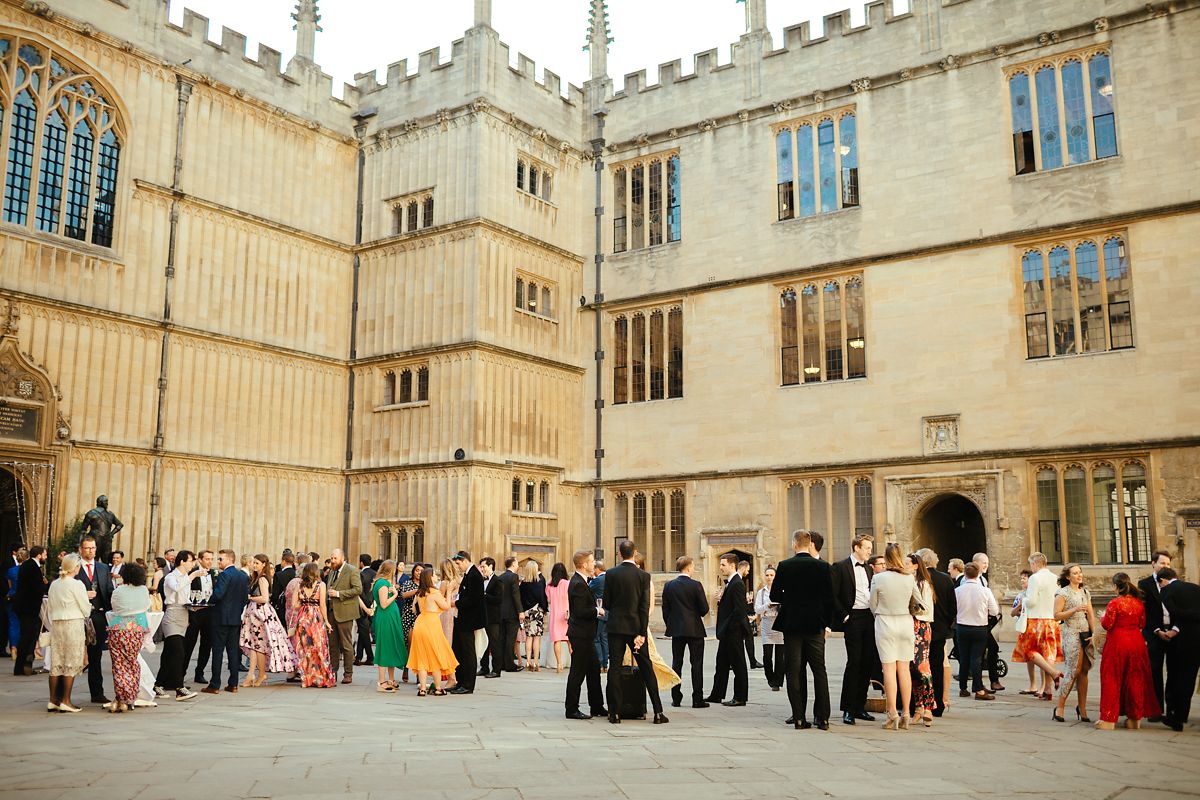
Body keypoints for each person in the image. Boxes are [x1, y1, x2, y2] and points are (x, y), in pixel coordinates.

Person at [772, 529, 833, 730]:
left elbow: (775, 595)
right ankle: (823, 719)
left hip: (792, 624)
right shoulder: (823, 567)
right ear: (809, 544)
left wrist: (790, 597)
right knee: (819, 670)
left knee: (794, 671)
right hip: (815, 624)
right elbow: (829, 598)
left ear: (794, 544)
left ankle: (798, 717)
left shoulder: (785, 566)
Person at [603, 540, 667, 724]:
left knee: (614, 668)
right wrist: (641, 633)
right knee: (647, 668)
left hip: (616, 627)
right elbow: (644, 606)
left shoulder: (611, 574)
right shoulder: (643, 576)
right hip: (635, 628)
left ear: (619, 554)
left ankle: (614, 712)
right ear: (635, 553)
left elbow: (606, 603)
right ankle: (658, 712)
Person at [1096, 572, 1160, 730]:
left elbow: (1107, 625)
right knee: (1135, 679)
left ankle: (1109, 719)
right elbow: (1142, 624)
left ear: (1116, 587)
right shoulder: (1139, 604)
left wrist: (1103, 616)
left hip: (1117, 643)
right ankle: (1134, 719)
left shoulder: (1115, 603)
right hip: (1137, 643)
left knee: (1112, 678)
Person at [869, 544, 920, 730]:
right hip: (905, 622)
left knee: (888, 670)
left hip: (885, 622)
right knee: (904, 669)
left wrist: (879, 613)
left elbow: (872, 604)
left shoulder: (878, 578)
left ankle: (892, 713)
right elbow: (920, 601)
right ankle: (906, 712)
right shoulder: (909, 578)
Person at [830, 533, 876, 725]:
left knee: (867, 663)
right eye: (866, 548)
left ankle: (860, 706)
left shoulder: (870, 569)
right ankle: (848, 708)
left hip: (869, 617)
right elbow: (832, 595)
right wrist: (844, 616)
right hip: (853, 618)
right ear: (856, 547)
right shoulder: (840, 567)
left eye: (870, 549)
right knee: (854, 662)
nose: (869, 552)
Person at [1011, 552, 1064, 700]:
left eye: (1031, 564)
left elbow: (1032, 601)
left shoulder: (1035, 578)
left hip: (1036, 620)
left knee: (1029, 652)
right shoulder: (1055, 578)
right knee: (1048, 654)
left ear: (1035, 564)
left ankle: (1054, 674)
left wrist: (1023, 600)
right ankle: (1047, 689)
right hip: (1052, 620)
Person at [239, 554, 296, 687]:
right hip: (255, 614)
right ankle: (251, 676)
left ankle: (261, 674)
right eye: (254, 563)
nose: (254, 565)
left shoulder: (262, 579)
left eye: (257, 563)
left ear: (264, 564)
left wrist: (250, 598)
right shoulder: (257, 578)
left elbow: (265, 598)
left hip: (260, 614)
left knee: (259, 646)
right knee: (254, 646)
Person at [661, 555, 709, 709]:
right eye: (693, 566)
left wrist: (671, 623)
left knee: (677, 663)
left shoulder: (669, 586)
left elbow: (665, 609)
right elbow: (704, 609)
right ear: (688, 567)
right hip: (695, 629)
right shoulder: (696, 585)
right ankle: (697, 699)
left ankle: (676, 698)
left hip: (677, 630)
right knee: (697, 664)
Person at [46, 554, 92, 712]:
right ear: (76, 567)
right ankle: (66, 700)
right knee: (71, 661)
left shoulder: (54, 584)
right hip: (73, 623)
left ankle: (53, 700)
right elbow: (85, 608)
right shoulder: (77, 584)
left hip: (57, 624)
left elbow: (50, 606)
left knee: (56, 661)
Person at [564, 549, 607, 719]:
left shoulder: (581, 582)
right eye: (591, 561)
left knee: (594, 669)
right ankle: (571, 708)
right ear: (583, 565)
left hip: (586, 634)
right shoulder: (577, 584)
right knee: (577, 671)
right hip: (580, 634)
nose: (593, 563)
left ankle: (596, 705)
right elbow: (581, 611)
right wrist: (597, 610)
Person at [1052, 563, 1096, 723]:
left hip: (1085, 633)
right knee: (1073, 670)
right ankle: (1060, 706)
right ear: (1068, 576)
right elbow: (1056, 615)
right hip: (1071, 633)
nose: (1079, 575)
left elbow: (1090, 614)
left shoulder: (1085, 592)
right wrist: (1074, 610)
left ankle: (1082, 707)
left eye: (1080, 572)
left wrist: (1094, 633)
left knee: (1084, 669)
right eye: (1075, 573)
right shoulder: (1062, 593)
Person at [156, 550, 202, 700]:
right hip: (172, 616)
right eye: (191, 561)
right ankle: (179, 688)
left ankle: (158, 684)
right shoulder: (171, 577)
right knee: (179, 653)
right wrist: (193, 575)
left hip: (183, 615)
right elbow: (176, 588)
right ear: (182, 561)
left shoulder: (184, 578)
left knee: (169, 653)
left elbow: (184, 597)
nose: (192, 564)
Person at [201, 549, 248, 694]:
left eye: (220, 559)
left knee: (218, 651)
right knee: (233, 652)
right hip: (235, 618)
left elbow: (218, 595)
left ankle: (215, 684)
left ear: (229, 559)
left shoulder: (224, 575)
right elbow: (245, 598)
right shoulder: (242, 575)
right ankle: (233, 684)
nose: (218, 562)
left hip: (220, 618)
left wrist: (209, 600)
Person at [916, 548, 956, 718]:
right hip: (939, 631)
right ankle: (937, 705)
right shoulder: (945, 579)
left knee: (919, 667)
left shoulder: (919, 579)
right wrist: (947, 626)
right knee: (937, 667)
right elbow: (953, 606)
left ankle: (919, 704)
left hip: (921, 630)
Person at [1159, 568, 1200, 732]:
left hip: (1185, 640)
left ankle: (1177, 717)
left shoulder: (1167, 590)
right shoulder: (1195, 588)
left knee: (1180, 677)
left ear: (1162, 580)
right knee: (1190, 679)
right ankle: (1181, 715)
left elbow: (1175, 613)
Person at [707, 552, 751, 707]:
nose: (720, 567)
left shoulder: (737, 583)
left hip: (733, 631)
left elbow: (739, 610)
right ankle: (716, 694)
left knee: (738, 664)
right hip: (726, 632)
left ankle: (740, 696)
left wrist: (728, 628)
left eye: (723, 564)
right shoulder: (730, 583)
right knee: (722, 664)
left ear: (733, 566)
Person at [406, 567, 459, 695]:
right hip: (431, 623)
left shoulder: (420, 592)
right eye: (435, 575)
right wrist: (449, 591)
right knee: (435, 655)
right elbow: (446, 607)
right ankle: (438, 688)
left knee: (422, 656)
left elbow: (415, 609)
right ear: (430, 578)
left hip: (420, 622)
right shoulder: (434, 593)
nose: (437, 577)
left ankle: (423, 689)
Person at [106, 562, 150, 713]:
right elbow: (146, 606)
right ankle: (130, 697)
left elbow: (115, 607)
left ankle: (120, 698)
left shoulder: (119, 591)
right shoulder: (144, 590)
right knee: (132, 662)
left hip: (119, 629)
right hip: (136, 630)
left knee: (119, 665)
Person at [76, 535, 114, 703]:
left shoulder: (103, 567)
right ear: (80, 549)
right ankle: (61, 694)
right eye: (87, 548)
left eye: (93, 548)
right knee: (72, 654)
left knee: (95, 656)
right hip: (78, 616)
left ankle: (97, 693)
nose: (90, 551)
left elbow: (109, 590)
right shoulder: (74, 567)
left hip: (98, 615)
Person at [955, 562, 998, 701]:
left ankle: (963, 688)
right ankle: (978, 689)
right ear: (978, 574)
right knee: (976, 658)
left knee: (964, 657)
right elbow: (994, 610)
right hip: (979, 627)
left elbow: (953, 609)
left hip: (962, 626)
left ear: (965, 574)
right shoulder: (985, 591)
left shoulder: (958, 591)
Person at [1138, 550, 1172, 719]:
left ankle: (1173, 710)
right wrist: (1157, 630)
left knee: (1174, 672)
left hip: (1174, 633)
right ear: (1153, 563)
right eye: (1162, 563)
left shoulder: (1175, 582)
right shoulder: (1144, 584)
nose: (1165, 566)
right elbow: (1144, 612)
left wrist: (1173, 630)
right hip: (1153, 633)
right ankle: (1156, 710)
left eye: (1167, 564)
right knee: (1154, 671)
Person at [292, 562, 336, 688]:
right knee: (319, 647)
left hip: (303, 618)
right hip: (316, 618)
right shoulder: (321, 585)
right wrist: (327, 621)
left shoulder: (299, 585)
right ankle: (321, 678)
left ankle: (306, 679)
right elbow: (323, 605)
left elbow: (294, 605)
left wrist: (304, 603)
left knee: (304, 649)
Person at [323, 549, 362, 685]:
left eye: (335, 558)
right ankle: (333, 671)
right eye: (331, 558)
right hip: (331, 612)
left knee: (346, 644)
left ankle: (348, 673)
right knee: (332, 644)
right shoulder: (332, 571)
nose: (332, 561)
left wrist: (338, 594)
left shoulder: (352, 570)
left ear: (342, 558)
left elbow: (358, 589)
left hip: (345, 612)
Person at [906, 553, 936, 726]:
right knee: (911, 668)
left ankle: (929, 706)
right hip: (909, 627)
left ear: (916, 565)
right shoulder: (908, 582)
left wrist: (908, 609)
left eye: (908, 563)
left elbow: (925, 609)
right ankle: (918, 706)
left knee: (922, 667)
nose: (905, 566)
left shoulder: (923, 584)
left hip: (921, 627)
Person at [370, 559, 407, 693]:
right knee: (385, 647)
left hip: (390, 618)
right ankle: (382, 681)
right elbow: (384, 604)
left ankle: (391, 679)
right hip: (386, 619)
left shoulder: (384, 583)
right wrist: (396, 594)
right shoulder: (382, 584)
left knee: (391, 647)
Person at [449, 550, 484, 695]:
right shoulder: (469, 575)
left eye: (458, 564)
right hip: (462, 618)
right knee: (458, 650)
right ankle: (460, 681)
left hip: (469, 620)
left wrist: (456, 602)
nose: (458, 567)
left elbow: (474, 599)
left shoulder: (475, 575)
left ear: (464, 560)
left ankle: (468, 684)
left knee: (468, 652)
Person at [12, 545, 48, 677]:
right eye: (44, 555)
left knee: (27, 636)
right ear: (39, 555)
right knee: (27, 637)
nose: (46, 557)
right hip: (28, 608)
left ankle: (22, 666)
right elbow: (35, 588)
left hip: (25, 607)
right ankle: (22, 666)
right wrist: (44, 585)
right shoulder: (33, 567)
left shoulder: (28, 565)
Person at [1011, 569, 1047, 697]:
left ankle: (1043, 686)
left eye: (1024, 578)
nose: (1022, 580)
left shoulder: (1037, 595)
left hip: (1038, 628)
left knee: (1041, 657)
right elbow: (1013, 612)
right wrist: (1020, 606)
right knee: (1029, 658)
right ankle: (1033, 684)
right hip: (1025, 628)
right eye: (1021, 578)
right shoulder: (1021, 595)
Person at [184, 550, 215, 686]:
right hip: (195, 612)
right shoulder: (192, 573)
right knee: (189, 643)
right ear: (200, 560)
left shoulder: (214, 574)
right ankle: (182, 672)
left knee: (206, 644)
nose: (209, 561)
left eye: (211, 559)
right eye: (207, 559)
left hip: (209, 613)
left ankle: (200, 672)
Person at [754, 565, 784, 691]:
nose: (769, 577)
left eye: (772, 575)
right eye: (767, 575)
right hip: (767, 623)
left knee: (780, 656)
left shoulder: (782, 590)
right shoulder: (761, 592)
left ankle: (777, 681)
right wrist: (767, 605)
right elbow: (757, 609)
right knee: (767, 655)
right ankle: (770, 678)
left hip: (779, 623)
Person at [519, 559, 548, 671]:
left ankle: (528, 663)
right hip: (537, 611)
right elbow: (542, 597)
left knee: (528, 637)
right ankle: (535, 662)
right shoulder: (540, 581)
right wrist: (544, 609)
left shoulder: (523, 583)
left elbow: (521, 598)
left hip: (527, 612)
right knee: (537, 637)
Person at [496, 557, 523, 672]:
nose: (517, 566)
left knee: (502, 638)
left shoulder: (500, 577)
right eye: (517, 563)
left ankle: (501, 663)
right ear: (512, 564)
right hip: (512, 613)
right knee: (510, 639)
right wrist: (520, 611)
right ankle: (509, 664)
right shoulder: (513, 577)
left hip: (501, 612)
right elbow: (515, 595)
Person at [398, 563, 423, 682]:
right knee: (409, 644)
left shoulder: (426, 584)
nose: (418, 572)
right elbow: (403, 594)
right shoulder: (408, 582)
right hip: (409, 614)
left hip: (421, 615)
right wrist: (417, 590)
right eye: (417, 570)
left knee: (419, 645)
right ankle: (406, 668)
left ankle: (419, 673)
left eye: (421, 570)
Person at [479, 557, 502, 678]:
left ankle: (496, 670)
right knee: (484, 642)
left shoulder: (497, 581)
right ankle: (484, 667)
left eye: (483, 567)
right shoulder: (480, 580)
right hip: (483, 616)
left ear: (491, 567)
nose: (481, 569)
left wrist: (484, 595)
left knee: (494, 643)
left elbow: (499, 599)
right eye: (481, 567)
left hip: (493, 618)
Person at [546, 562, 571, 673]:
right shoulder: (567, 583)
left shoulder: (549, 585)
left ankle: (559, 664)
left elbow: (549, 600)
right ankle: (574, 663)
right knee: (570, 641)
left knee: (557, 641)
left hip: (555, 615)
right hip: (566, 614)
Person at [737, 561, 761, 669]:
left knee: (747, 637)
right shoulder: (738, 582)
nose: (748, 572)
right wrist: (746, 616)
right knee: (747, 637)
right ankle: (751, 661)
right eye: (748, 569)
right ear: (744, 568)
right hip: (740, 617)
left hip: (741, 615)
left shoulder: (738, 581)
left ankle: (751, 660)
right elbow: (739, 603)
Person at [355, 553, 376, 668]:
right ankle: (358, 656)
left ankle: (370, 656)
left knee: (363, 631)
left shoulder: (361, 574)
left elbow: (359, 591)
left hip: (362, 606)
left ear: (361, 563)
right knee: (363, 631)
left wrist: (366, 606)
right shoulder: (375, 574)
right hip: (373, 605)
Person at [590, 561, 608, 672]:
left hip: (599, 612)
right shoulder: (610, 579)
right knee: (604, 639)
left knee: (596, 638)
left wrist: (591, 578)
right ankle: (605, 664)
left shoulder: (598, 580)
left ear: (597, 569)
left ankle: (600, 663)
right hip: (607, 613)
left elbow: (587, 588)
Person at [272, 551, 297, 621]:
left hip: (281, 606)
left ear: (283, 561)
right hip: (295, 606)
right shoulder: (296, 574)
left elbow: (275, 594)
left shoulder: (278, 575)